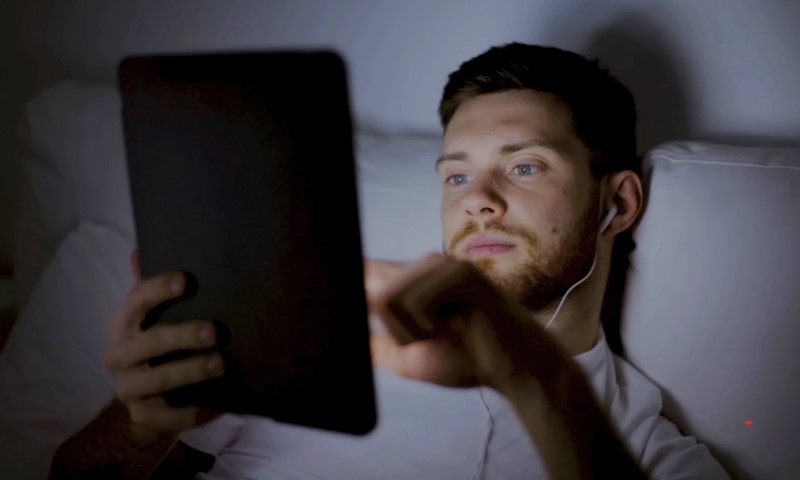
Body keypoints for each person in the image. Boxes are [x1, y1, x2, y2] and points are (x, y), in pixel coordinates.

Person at [50, 43, 729, 479]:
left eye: (525, 166)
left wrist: (532, 373)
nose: (478, 201)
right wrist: (138, 427)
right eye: (456, 176)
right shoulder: (303, 348)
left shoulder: (643, 452)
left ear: (618, 203)